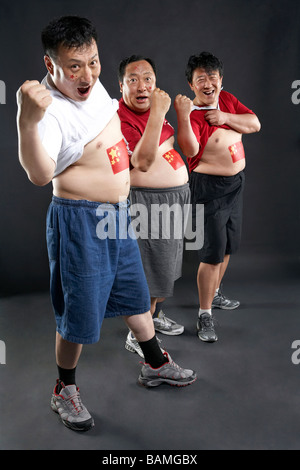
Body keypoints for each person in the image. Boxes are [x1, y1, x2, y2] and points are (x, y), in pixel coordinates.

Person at [16, 16, 196, 432]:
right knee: (79, 309)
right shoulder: (48, 109)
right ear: (50, 63)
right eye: (74, 66)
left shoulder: (94, 87)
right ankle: (64, 387)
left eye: (93, 62)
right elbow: (40, 174)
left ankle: (153, 364)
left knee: (134, 291)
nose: (87, 74)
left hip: (118, 214)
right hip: (80, 219)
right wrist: (26, 120)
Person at [174, 52, 261, 343]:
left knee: (227, 247)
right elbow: (188, 150)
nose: (208, 83)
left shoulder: (227, 101)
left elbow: (254, 124)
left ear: (221, 80)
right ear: (192, 85)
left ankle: (215, 292)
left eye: (213, 77)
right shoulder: (195, 117)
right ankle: (204, 313)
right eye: (201, 79)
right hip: (209, 188)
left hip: (236, 184)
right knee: (211, 254)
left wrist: (225, 117)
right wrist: (185, 117)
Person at [117, 55, 190, 357]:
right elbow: (143, 163)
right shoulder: (120, 117)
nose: (142, 85)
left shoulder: (154, 112)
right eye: (133, 79)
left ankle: (154, 317)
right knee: (148, 271)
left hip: (174, 199)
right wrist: (160, 112)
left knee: (164, 266)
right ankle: (138, 335)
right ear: (121, 86)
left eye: (148, 78)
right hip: (147, 204)